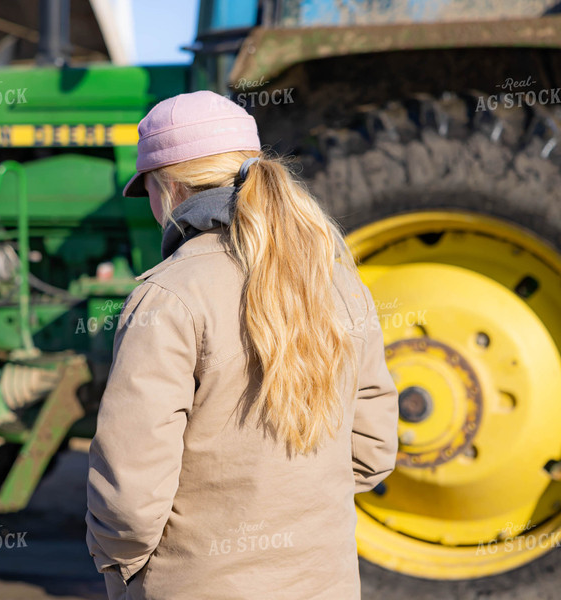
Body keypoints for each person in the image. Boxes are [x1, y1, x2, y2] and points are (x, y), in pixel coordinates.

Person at [85, 90, 399, 599]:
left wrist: (121, 566)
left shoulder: (167, 296)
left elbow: (129, 499)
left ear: (167, 188)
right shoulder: (341, 283)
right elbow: (373, 451)